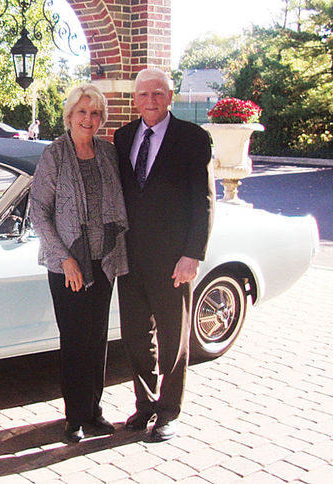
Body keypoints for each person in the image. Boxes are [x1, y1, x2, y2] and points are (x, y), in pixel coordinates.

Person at [113, 68, 215, 442]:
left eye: (158, 93)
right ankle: (144, 405)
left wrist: (193, 254)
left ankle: (168, 412)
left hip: (174, 260)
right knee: (135, 336)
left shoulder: (192, 138)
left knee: (174, 338)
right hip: (130, 258)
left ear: (170, 97)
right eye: (144, 94)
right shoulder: (123, 137)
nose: (151, 100)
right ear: (135, 98)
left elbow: (202, 201)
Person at [30, 85, 128, 443]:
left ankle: (94, 413)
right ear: (69, 115)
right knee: (75, 339)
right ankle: (74, 419)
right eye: (82, 112)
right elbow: (38, 212)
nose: (89, 119)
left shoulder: (107, 152)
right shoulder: (54, 155)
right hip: (68, 263)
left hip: (104, 261)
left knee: (97, 338)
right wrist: (66, 259)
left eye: (96, 113)